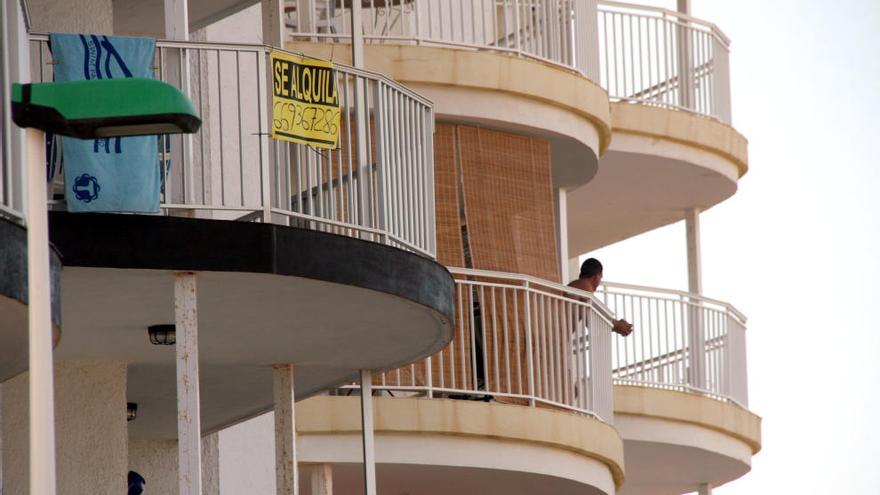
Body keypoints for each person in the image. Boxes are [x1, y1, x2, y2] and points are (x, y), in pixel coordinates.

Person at [568, 258, 634, 336]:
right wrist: (619, 325)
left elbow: (591, 322)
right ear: (597, 276)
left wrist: (617, 326)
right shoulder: (584, 286)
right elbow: (597, 316)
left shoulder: (576, 286)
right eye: (600, 278)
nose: (599, 283)